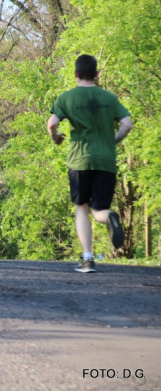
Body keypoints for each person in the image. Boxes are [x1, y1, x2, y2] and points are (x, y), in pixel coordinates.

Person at [47, 54, 133, 273]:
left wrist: (55, 137)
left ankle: (87, 259)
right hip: (106, 159)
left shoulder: (67, 97)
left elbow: (51, 124)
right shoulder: (110, 98)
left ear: (75, 74)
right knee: (99, 210)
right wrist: (113, 141)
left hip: (80, 160)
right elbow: (127, 124)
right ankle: (109, 217)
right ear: (96, 74)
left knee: (81, 209)